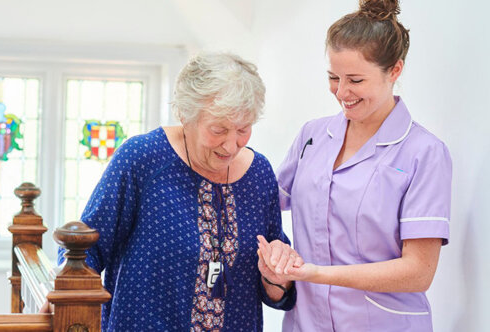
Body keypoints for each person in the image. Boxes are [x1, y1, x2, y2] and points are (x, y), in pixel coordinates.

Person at [57, 52, 296, 331]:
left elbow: (275, 288)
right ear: (185, 114)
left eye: (243, 129)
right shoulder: (143, 159)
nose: (231, 145)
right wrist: (64, 298)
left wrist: (277, 276)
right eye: (218, 129)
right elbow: (86, 249)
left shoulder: (259, 174)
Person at [258, 0, 452, 331]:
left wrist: (315, 273)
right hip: (306, 322)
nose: (342, 92)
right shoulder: (313, 136)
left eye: (356, 80)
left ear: (395, 70)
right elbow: (263, 203)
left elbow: (419, 272)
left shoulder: (424, 152)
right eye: (333, 77)